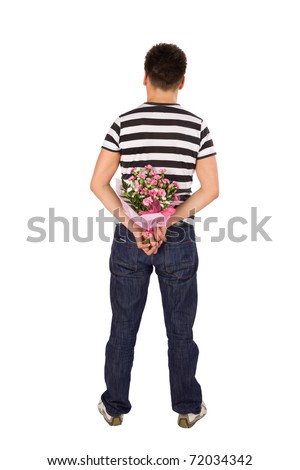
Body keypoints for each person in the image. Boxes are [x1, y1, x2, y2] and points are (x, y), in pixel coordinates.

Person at [90, 43, 219, 428]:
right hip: (177, 240)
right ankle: (187, 408)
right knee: (180, 329)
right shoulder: (196, 126)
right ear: (182, 81)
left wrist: (135, 224)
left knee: (123, 327)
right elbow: (210, 189)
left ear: (145, 76)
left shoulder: (123, 124)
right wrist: (168, 222)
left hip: (130, 241)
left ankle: (114, 408)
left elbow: (98, 183)